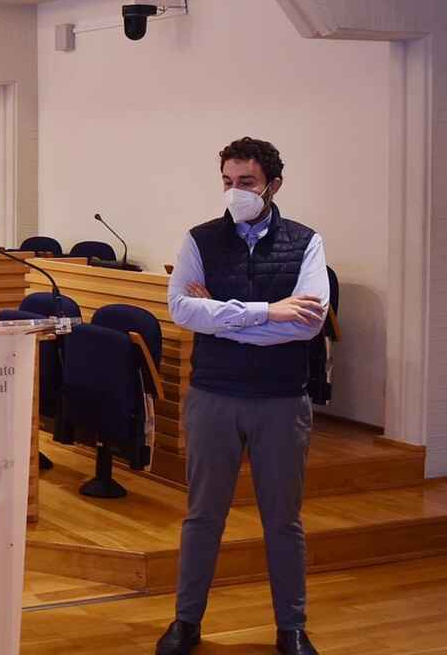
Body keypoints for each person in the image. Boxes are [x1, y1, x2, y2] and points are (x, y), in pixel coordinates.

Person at [156, 137, 329, 655]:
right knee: (203, 517)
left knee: (284, 520)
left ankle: (291, 629)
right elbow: (182, 311)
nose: (236, 193)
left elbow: (309, 322)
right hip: (214, 397)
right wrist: (268, 312)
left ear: (273, 185)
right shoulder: (199, 240)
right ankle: (186, 623)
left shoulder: (306, 241)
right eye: (228, 182)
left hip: (280, 400)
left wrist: (225, 317)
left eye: (247, 183)